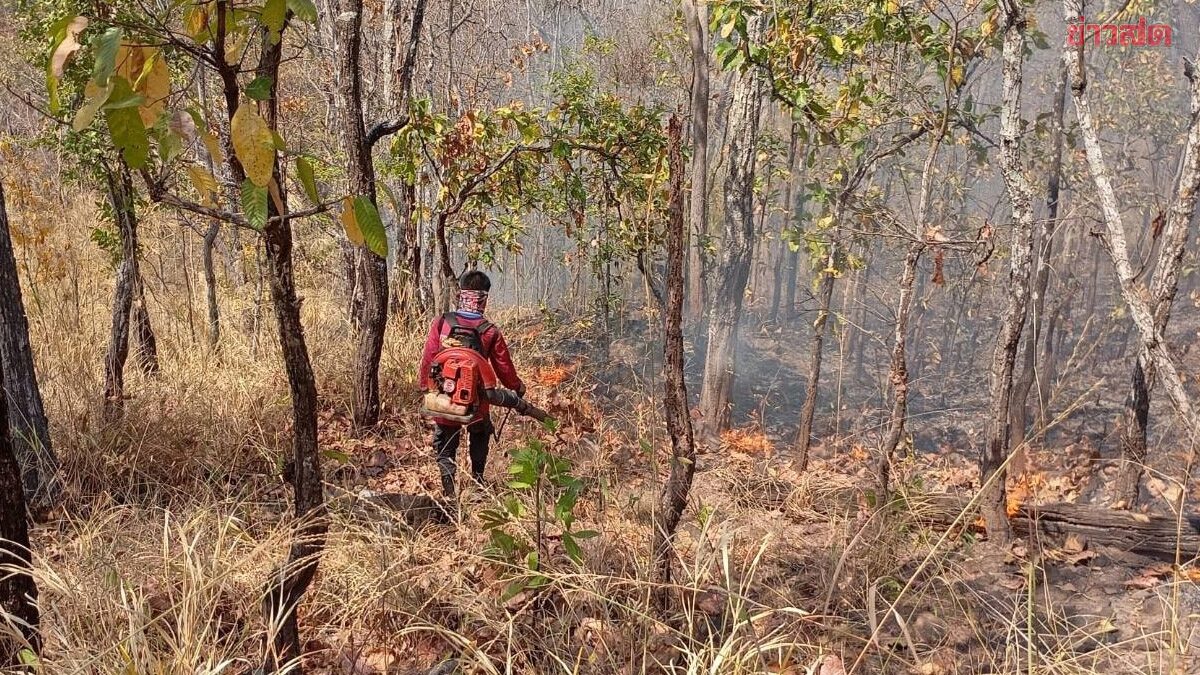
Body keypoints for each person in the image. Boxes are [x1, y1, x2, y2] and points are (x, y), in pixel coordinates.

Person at [419, 271, 525, 496]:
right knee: (480, 433)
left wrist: (425, 387)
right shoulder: (490, 331)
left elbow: (429, 358)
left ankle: (449, 491)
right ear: (484, 298)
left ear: (461, 294)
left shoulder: (442, 323)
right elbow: (503, 367)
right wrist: (517, 387)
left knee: (445, 443)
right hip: (478, 398)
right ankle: (477, 483)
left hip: (444, 396)